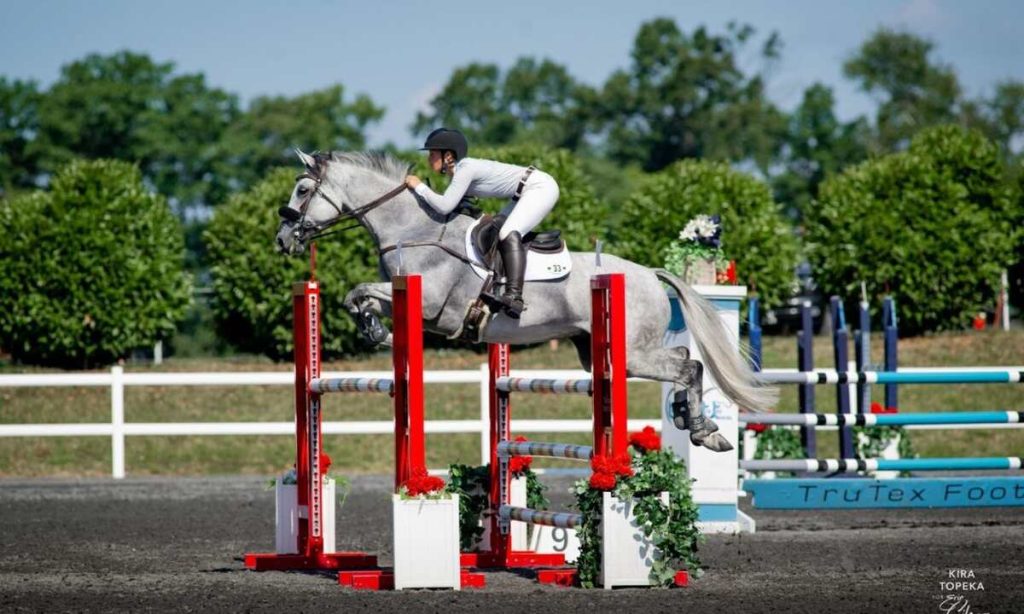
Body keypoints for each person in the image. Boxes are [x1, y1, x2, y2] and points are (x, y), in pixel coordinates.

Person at [405, 128, 560, 318]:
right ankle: (498, 284)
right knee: (495, 230)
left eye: (433, 153)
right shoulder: (459, 174)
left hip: (540, 187)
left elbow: (444, 206)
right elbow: (455, 210)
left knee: (507, 233)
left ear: (448, 155)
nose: (429, 159)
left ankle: (514, 297)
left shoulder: (465, 168)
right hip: (522, 194)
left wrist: (418, 186)